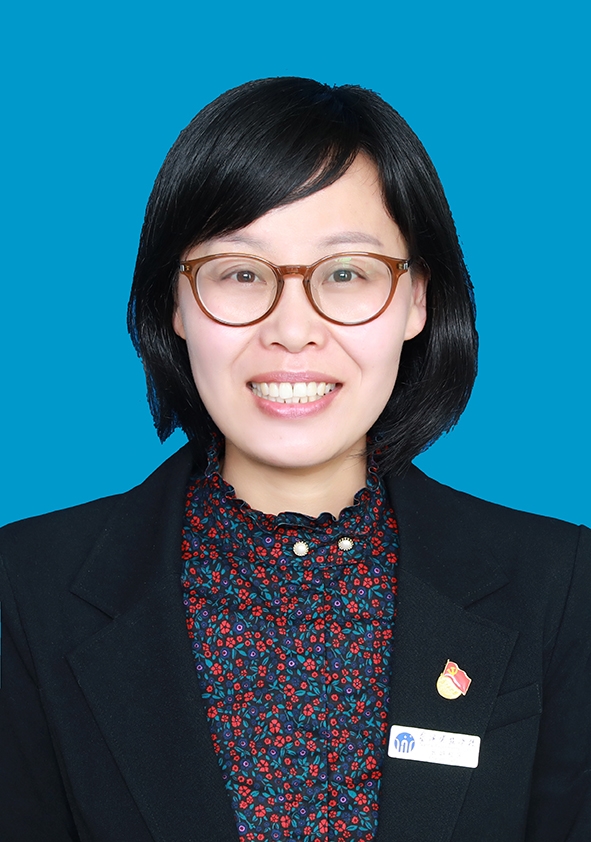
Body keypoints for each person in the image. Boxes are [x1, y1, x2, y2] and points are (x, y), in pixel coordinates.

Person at [0, 77, 589, 842]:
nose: (291, 330)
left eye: (345, 274)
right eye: (240, 274)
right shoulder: (25, 589)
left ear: (416, 299)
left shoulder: (558, 585)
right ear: (174, 303)